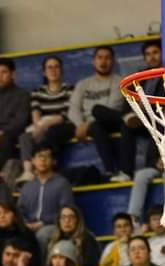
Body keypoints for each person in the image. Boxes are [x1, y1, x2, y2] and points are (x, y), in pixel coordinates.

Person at [69, 46, 133, 183]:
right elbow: (73, 108)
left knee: (97, 109)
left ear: (113, 61)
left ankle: (126, 118)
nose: (103, 61)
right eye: (100, 58)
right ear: (94, 61)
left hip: (112, 120)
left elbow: (112, 107)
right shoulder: (83, 84)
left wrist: (87, 123)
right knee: (96, 126)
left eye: (107, 58)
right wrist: (80, 124)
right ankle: (109, 171)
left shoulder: (119, 81)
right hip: (92, 125)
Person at [19, 56, 73, 177]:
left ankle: (44, 169)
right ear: (44, 72)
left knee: (47, 133)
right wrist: (38, 126)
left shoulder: (70, 89)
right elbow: (35, 112)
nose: (53, 70)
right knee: (25, 137)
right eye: (49, 67)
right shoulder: (37, 92)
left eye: (56, 67)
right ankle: (28, 171)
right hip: (42, 123)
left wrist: (44, 126)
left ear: (61, 70)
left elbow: (65, 115)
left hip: (60, 125)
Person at [18, 144, 74, 252]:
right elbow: (20, 210)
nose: (43, 160)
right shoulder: (27, 186)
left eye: (47, 157)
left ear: (53, 161)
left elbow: (67, 211)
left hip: (53, 226)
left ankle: (40, 263)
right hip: (28, 227)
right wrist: (26, 224)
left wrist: (43, 222)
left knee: (42, 235)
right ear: (33, 160)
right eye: (39, 156)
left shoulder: (62, 184)